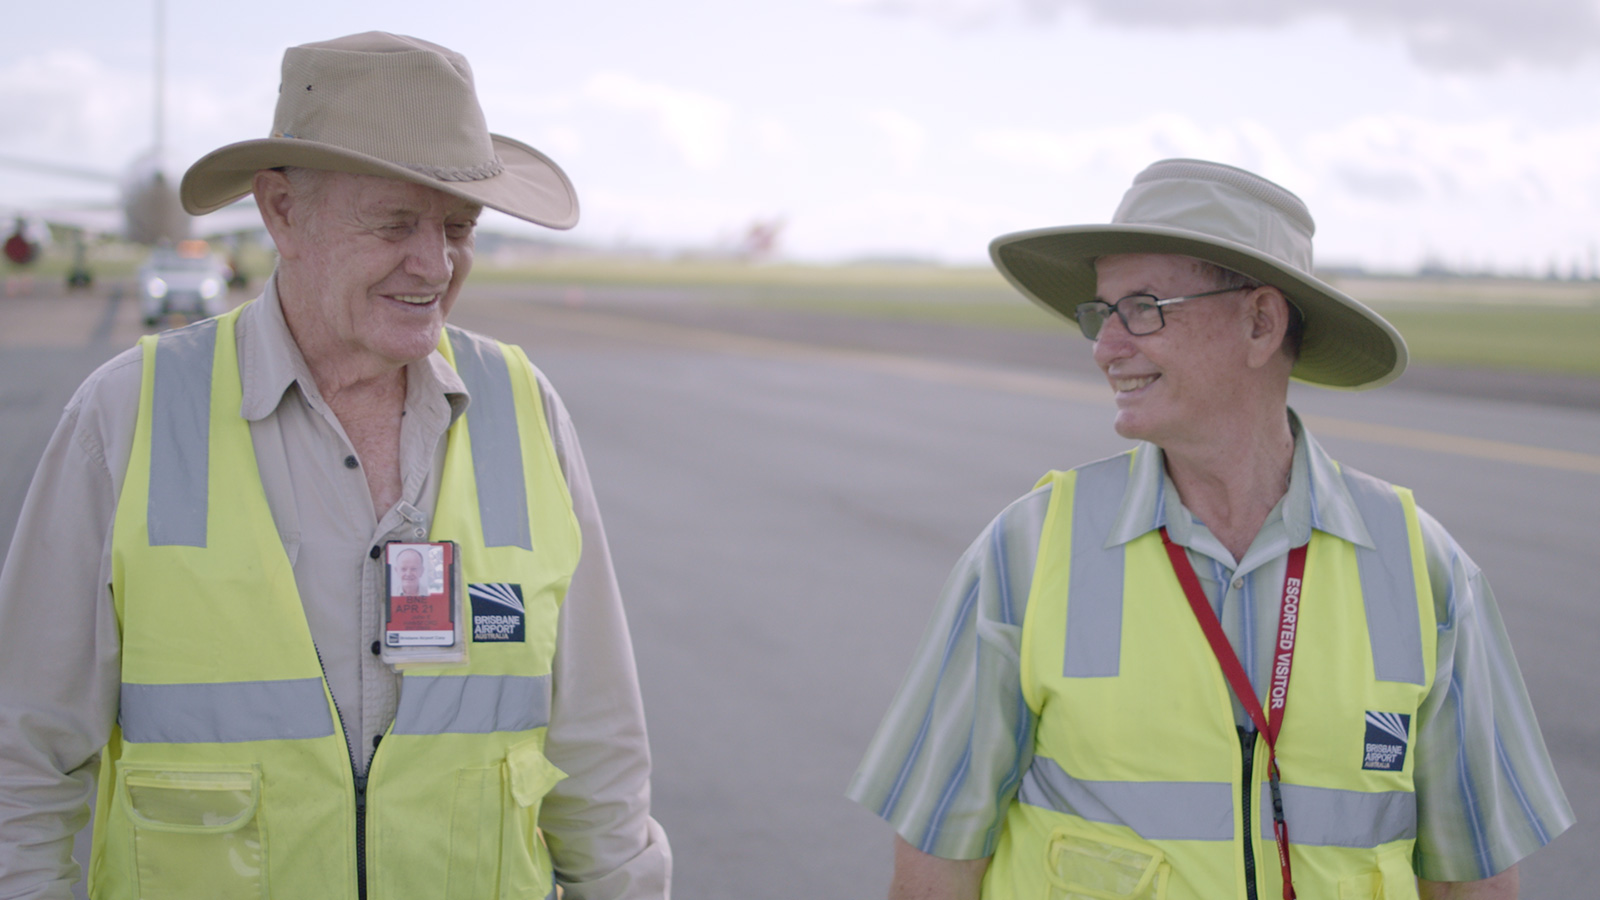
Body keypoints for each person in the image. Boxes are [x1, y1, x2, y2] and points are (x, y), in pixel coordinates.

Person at [0, 32, 670, 900]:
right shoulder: (124, 416)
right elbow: (22, 762)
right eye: (395, 224)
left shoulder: (524, 408)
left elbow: (600, 762)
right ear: (281, 211)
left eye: (459, 227)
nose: (435, 265)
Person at [847, 159, 1571, 900]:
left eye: (1143, 307)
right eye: (1102, 313)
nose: (1106, 347)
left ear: (1260, 322)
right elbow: (936, 866)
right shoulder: (1025, 554)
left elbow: (1470, 880)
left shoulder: (1425, 570)